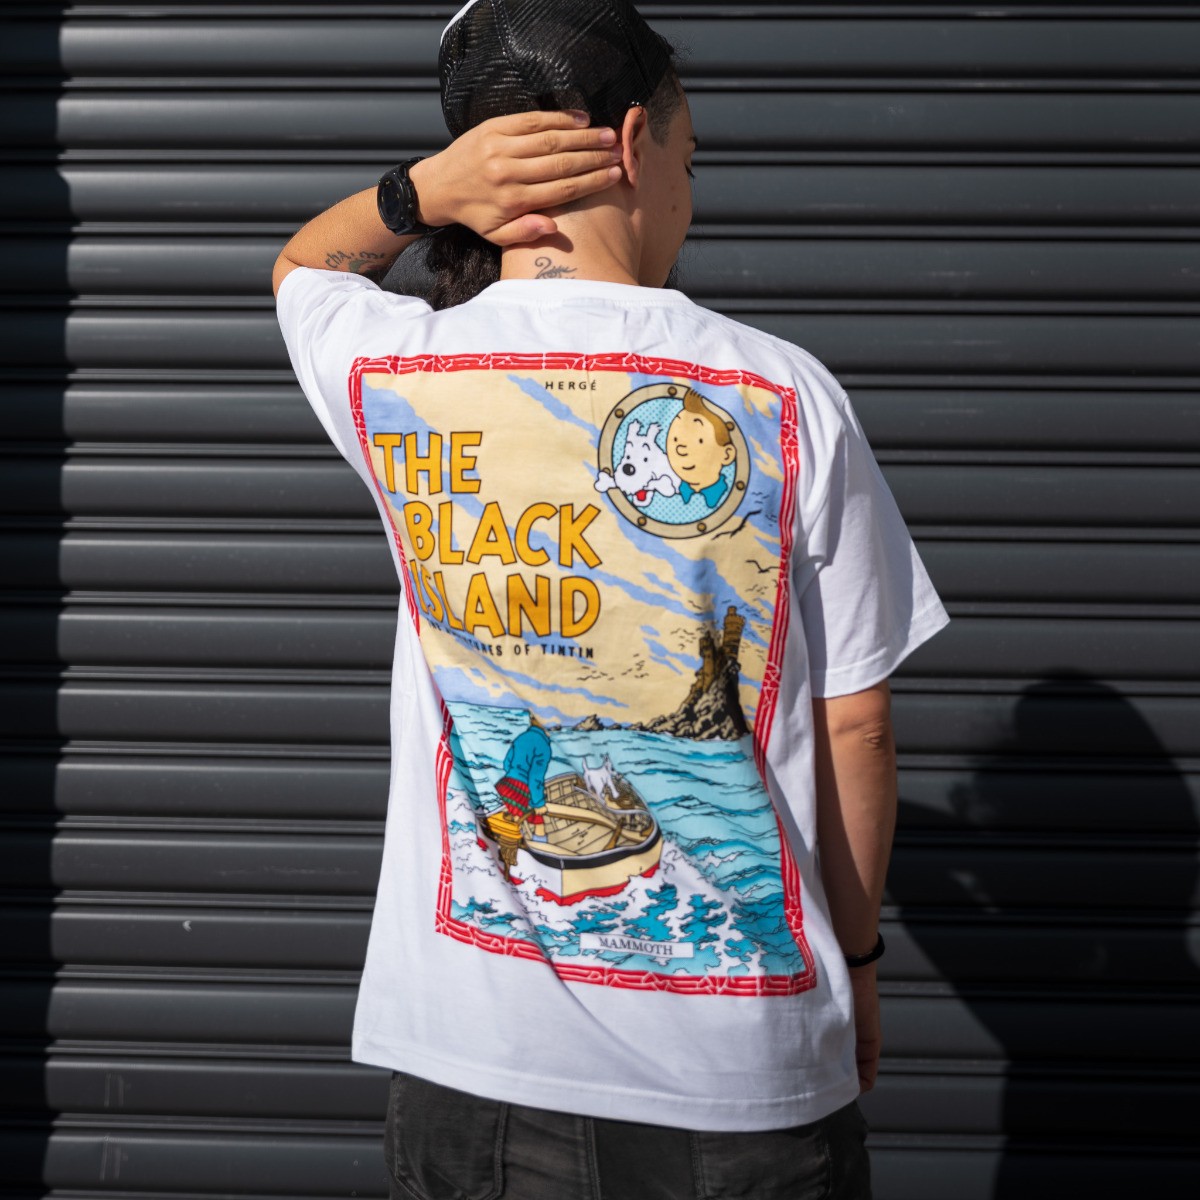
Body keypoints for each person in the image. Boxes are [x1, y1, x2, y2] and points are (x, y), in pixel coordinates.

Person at [273, 2, 949, 1196]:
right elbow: (857, 728)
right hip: (736, 1077)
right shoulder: (781, 391)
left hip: (471, 1073)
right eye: (691, 158)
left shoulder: (391, 367)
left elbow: (303, 270)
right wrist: (858, 960)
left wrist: (422, 192)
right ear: (635, 144)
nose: (690, 193)